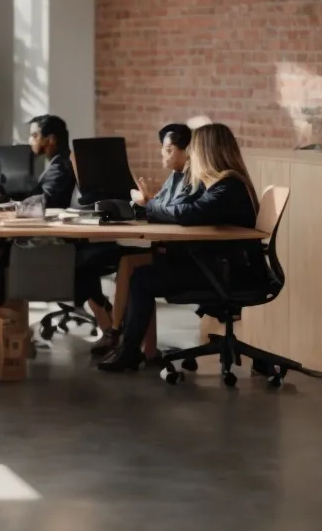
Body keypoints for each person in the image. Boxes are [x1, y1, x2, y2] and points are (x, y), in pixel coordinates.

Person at [98, 123, 264, 373]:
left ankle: (130, 351)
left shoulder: (227, 186)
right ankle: (130, 349)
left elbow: (187, 213)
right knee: (142, 269)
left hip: (224, 273)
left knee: (142, 278)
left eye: (195, 150)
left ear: (207, 152)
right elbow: (182, 210)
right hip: (220, 266)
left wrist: (150, 205)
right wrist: (153, 205)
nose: (192, 157)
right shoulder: (221, 184)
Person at [78, 123, 191, 357]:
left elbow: (173, 211)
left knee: (130, 265)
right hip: (167, 247)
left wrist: (149, 204)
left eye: (168, 149)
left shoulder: (190, 179)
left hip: (181, 255)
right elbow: (162, 206)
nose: (163, 154)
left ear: (187, 150)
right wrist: (148, 202)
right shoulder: (175, 177)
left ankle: (117, 332)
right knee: (128, 263)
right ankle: (134, 342)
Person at [28, 114, 77, 208]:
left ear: (51, 139)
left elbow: (45, 202)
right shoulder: (59, 162)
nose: (30, 141)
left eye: (34, 136)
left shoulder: (59, 168)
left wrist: (14, 205)